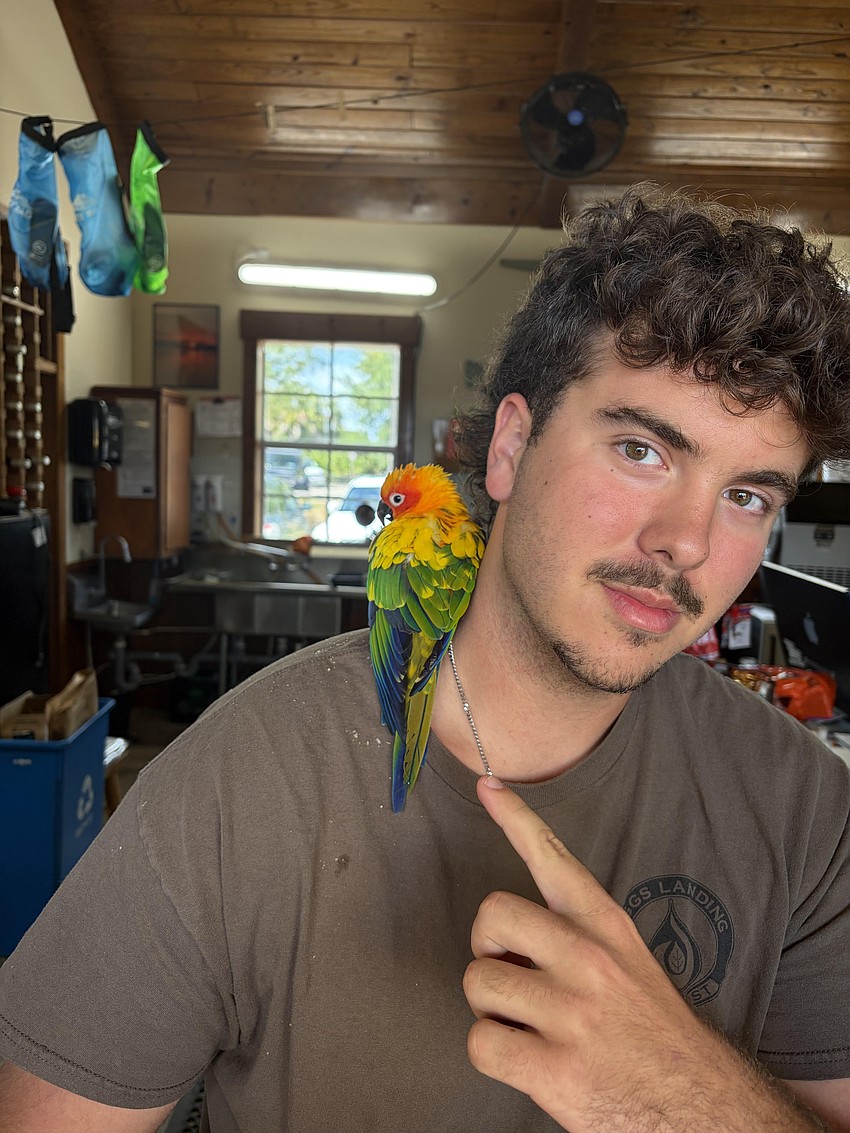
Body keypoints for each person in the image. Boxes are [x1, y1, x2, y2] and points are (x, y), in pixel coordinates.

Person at [1, 184, 849, 1132]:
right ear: (510, 448)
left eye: (747, 496)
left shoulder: (806, 813)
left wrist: (682, 1097)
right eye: (642, 449)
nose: (686, 541)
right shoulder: (243, 781)